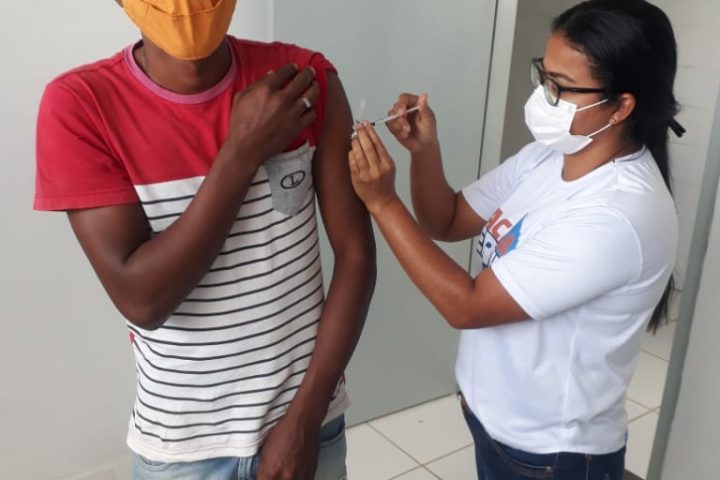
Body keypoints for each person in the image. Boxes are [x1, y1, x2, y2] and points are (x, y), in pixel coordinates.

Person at [34, 1, 376, 479]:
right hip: (185, 451)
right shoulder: (81, 106)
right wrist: (241, 153)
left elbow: (356, 256)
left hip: (309, 425)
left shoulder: (303, 79)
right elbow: (143, 299)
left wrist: (305, 418)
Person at [348, 0, 681, 478]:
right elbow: (447, 220)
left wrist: (382, 202)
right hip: (496, 423)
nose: (543, 96)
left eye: (560, 87)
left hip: (549, 453)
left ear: (622, 106)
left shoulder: (616, 213)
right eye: (543, 76)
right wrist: (424, 151)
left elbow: (467, 306)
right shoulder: (547, 157)